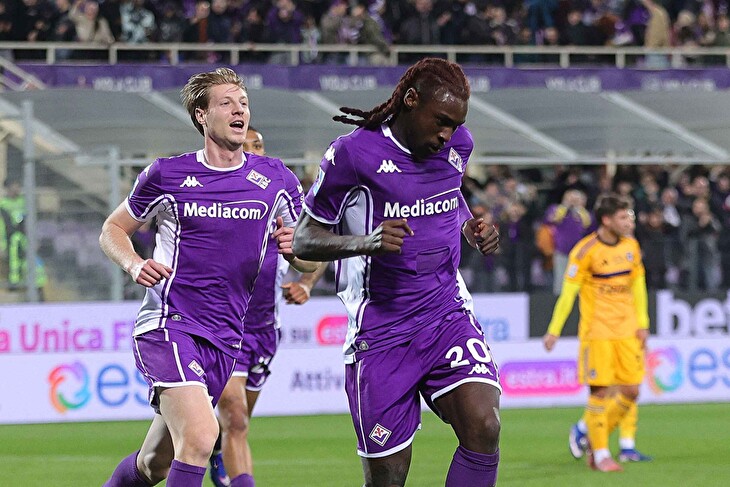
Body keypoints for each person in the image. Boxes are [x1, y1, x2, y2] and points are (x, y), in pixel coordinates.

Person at [99, 67, 316, 487]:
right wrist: (134, 264)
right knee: (202, 435)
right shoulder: (167, 174)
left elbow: (308, 258)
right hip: (170, 324)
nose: (239, 111)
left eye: (243, 103)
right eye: (226, 103)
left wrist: (299, 252)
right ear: (201, 115)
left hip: (226, 339)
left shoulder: (276, 179)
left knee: (154, 464)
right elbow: (112, 229)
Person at [291, 58, 502, 487]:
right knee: (387, 478)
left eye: (455, 125)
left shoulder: (457, 145)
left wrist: (468, 225)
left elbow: (448, 191)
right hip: (382, 331)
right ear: (410, 100)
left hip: (445, 314)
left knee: (484, 426)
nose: (447, 135)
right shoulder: (352, 154)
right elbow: (303, 239)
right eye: (441, 121)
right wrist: (364, 242)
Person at [207, 126, 321, 487]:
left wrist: (304, 280)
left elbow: (315, 250)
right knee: (236, 418)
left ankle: (216, 447)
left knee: (239, 420)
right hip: (224, 330)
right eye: (247, 145)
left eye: (258, 145)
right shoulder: (219, 199)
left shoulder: (281, 198)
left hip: (264, 331)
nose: (254, 150)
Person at [543, 194, 651, 472]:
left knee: (631, 390)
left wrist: (643, 323)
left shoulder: (631, 246)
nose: (629, 222)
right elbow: (568, 294)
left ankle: (589, 434)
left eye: (629, 217)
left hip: (627, 330)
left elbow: (638, 286)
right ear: (606, 220)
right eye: (623, 217)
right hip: (598, 331)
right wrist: (554, 330)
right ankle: (601, 453)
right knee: (600, 391)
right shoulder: (584, 251)